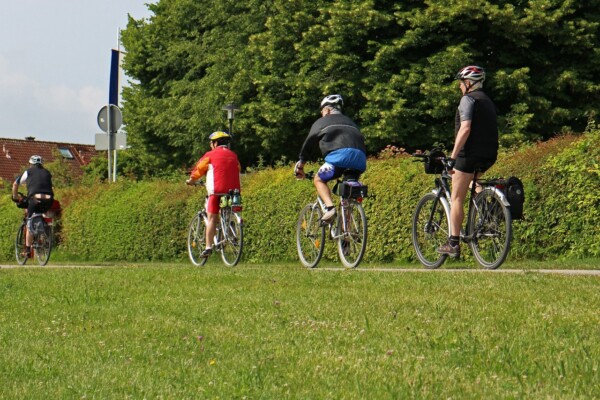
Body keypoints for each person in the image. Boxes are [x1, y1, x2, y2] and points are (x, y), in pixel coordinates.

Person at [438, 65, 499, 257]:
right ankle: (487, 209)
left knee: (457, 198)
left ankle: (453, 243)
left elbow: (465, 129)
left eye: (461, 83)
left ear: (468, 83)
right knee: (473, 181)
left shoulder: (468, 99)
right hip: (489, 154)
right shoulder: (488, 101)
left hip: (469, 154)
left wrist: (453, 157)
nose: (459, 87)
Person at [294, 94, 367, 222]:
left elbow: (309, 143)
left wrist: (301, 164)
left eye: (322, 111)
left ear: (327, 110)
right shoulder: (351, 122)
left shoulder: (322, 121)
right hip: (360, 159)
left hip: (339, 158)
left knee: (319, 180)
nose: (322, 114)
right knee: (348, 194)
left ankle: (330, 208)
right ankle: (346, 234)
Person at [186, 131, 241, 258]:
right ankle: (230, 228)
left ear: (215, 143)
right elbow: (238, 168)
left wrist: (191, 180)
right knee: (226, 210)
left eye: (211, 143)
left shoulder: (210, 155)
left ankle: (208, 247)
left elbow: (199, 170)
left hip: (216, 191)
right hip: (233, 191)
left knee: (211, 218)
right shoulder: (233, 155)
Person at [12, 155, 54, 258]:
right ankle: (44, 237)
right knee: (42, 213)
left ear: (30, 164)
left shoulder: (28, 171)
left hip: (34, 199)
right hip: (49, 199)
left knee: (29, 223)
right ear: (41, 164)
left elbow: (15, 184)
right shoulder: (47, 172)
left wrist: (15, 196)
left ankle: (26, 250)